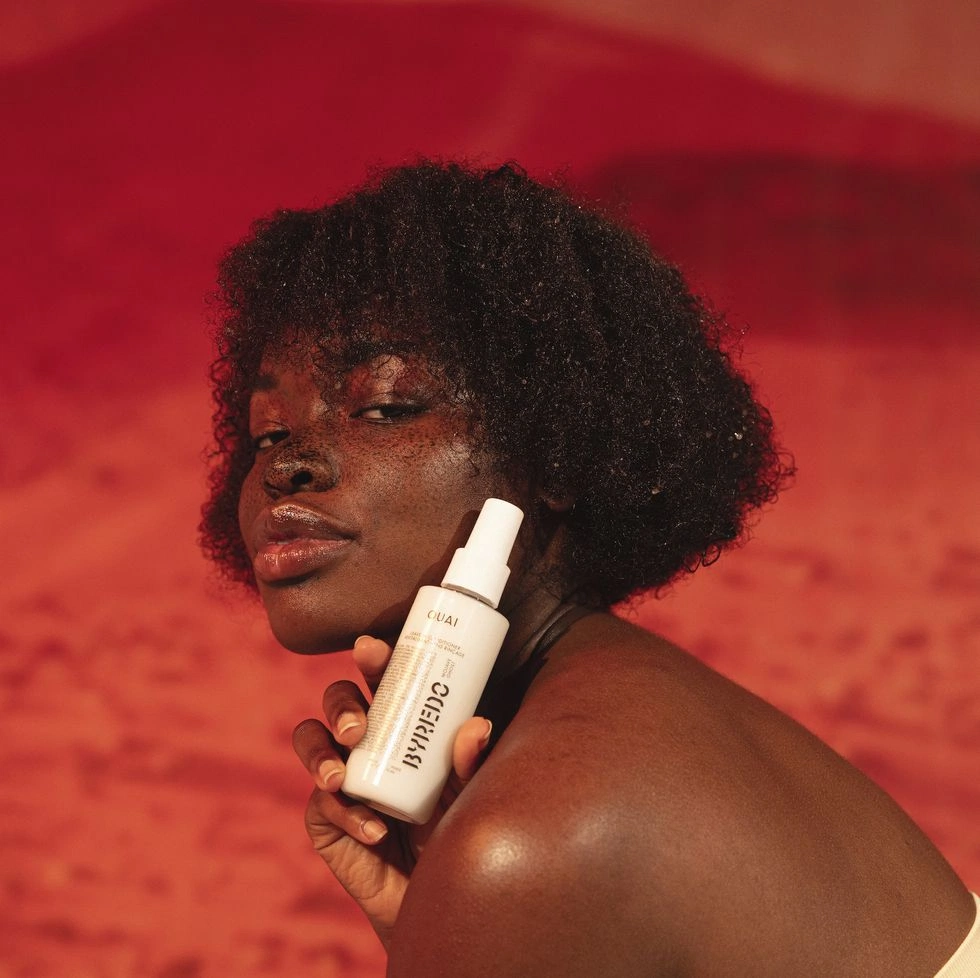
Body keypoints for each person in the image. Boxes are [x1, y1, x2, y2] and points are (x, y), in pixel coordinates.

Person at [201, 160, 977, 976]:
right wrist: (431, 920)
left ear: (554, 453)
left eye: (385, 407)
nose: (287, 464)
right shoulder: (620, 722)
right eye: (267, 432)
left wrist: (476, 908)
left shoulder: (535, 832)